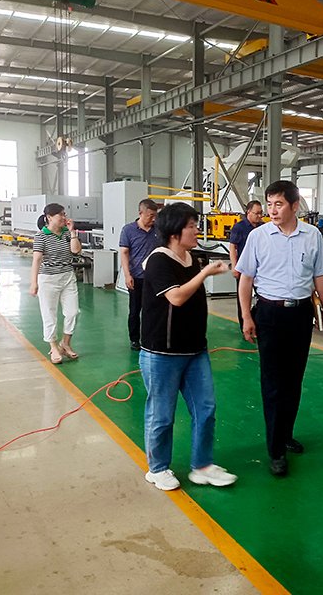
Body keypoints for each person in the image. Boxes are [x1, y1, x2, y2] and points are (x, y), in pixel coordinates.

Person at [236, 180, 323, 477]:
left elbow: (319, 274)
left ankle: (286, 433)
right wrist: (246, 317)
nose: (272, 210)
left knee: (294, 379)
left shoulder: (312, 236)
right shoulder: (258, 237)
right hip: (269, 313)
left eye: (278, 204)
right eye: (269, 204)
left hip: (301, 313)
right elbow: (245, 279)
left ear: (294, 206)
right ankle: (275, 449)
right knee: (273, 382)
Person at [140, 202, 237, 491]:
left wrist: (201, 270)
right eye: (192, 226)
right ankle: (157, 468)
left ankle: (202, 466)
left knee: (205, 408)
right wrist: (204, 273)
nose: (197, 231)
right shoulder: (158, 260)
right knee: (161, 414)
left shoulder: (190, 258)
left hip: (195, 350)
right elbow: (177, 298)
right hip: (162, 353)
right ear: (174, 232)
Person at [29, 203, 82, 365]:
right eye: (61, 215)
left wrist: (72, 232)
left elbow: (76, 251)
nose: (64, 217)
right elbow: (37, 260)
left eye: (65, 214)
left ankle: (65, 343)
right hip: (48, 279)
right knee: (49, 314)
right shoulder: (41, 236)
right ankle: (53, 347)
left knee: (73, 312)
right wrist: (34, 282)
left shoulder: (66, 233)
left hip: (67, 276)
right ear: (49, 217)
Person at [119, 198, 159, 351]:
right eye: (150, 216)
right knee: (135, 310)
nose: (153, 219)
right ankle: (135, 339)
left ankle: (151, 337)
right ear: (140, 213)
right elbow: (124, 253)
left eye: (155, 215)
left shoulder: (158, 230)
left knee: (154, 310)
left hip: (154, 278)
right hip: (136, 277)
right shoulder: (128, 230)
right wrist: (127, 275)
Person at [228, 200, 263, 331]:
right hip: (244, 269)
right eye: (256, 213)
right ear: (249, 212)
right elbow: (233, 247)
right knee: (243, 299)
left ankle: (257, 323)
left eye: (261, 213)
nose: (259, 216)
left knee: (263, 297)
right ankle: (245, 326)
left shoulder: (263, 227)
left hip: (260, 269)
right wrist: (235, 266)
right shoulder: (239, 227)